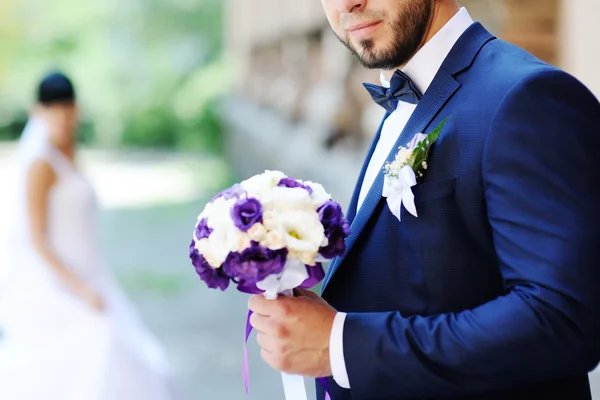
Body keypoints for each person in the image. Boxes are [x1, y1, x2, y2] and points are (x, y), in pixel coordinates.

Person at [247, 1, 600, 399]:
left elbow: (561, 322)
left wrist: (341, 345)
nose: (348, 3)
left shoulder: (526, 98)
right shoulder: (401, 100)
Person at [0, 71, 177, 400]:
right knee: (97, 346)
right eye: (53, 108)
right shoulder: (40, 164)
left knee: (134, 356)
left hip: (92, 270)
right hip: (60, 280)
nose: (62, 116)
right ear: (37, 112)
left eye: (67, 107)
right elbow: (37, 240)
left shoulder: (70, 153)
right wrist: (80, 289)